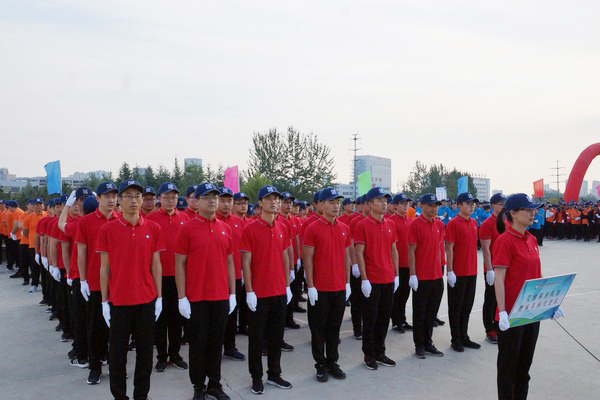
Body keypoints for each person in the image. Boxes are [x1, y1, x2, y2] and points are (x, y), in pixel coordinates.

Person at [97, 179, 164, 400]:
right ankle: (120, 396)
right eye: (128, 196)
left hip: (146, 300)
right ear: (120, 200)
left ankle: (141, 395)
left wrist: (159, 297)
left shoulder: (153, 228)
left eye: (137, 196)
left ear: (142, 199)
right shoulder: (108, 229)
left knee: (145, 354)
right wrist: (104, 300)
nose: (133, 201)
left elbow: (156, 264)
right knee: (117, 355)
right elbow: (104, 267)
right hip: (119, 301)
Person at [494, 193, 564, 400]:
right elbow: (499, 280)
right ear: (514, 213)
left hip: (531, 312)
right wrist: (502, 312)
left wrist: (549, 303)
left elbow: (537, 276)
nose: (533, 213)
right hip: (512, 316)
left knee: (524, 367)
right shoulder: (504, 241)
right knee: (508, 368)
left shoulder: (532, 239)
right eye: (528, 210)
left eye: (534, 210)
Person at [174, 182, 237, 400]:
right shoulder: (187, 228)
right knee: (198, 344)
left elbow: (230, 262)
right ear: (197, 201)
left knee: (216, 343)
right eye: (207, 197)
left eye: (215, 197)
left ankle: (214, 384)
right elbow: (179, 264)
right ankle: (198, 386)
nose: (212, 201)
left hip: (220, 296)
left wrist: (232, 293)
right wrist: (181, 296)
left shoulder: (225, 228)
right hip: (197, 297)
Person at [240, 185, 293, 395]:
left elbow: (285, 255)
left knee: (276, 336)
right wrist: (249, 291)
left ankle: (274, 374)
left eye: (276, 199)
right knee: (257, 339)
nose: (274, 202)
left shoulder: (282, 226)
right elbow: (246, 262)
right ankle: (256, 377)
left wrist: (287, 285)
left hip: (279, 291)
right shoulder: (250, 229)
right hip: (259, 293)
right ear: (260, 203)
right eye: (269, 198)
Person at [303, 187, 351, 382]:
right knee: (318, 329)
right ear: (321, 205)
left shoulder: (344, 228)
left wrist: (347, 283)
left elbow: (347, 257)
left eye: (337, 202)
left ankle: (332, 362)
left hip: (338, 287)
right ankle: (320, 364)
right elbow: (308, 259)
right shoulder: (312, 228)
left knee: (334, 328)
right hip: (320, 289)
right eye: (331, 202)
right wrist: (310, 286)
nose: (336, 206)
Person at [76, 181, 119, 385]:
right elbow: (81, 252)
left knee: (117, 331)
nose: (111, 200)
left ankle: (116, 367)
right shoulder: (86, 222)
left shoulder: (122, 220)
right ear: (98, 198)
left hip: (118, 284)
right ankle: (95, 368)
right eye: (107, 196)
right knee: (95, 328)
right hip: (94, 283)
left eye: (114, 196)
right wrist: (83, 279)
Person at [146, 182, 190, 372]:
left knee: (176, 319)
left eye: (174, 197)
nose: (171, 200)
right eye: (166, 197)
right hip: (158, 276)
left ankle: (175, 354)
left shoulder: (185, 218)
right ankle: (162, 357)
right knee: (160, 318)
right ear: (159, 199)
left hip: (179, 276)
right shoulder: (151, 218)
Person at [354, 187, 399, 370]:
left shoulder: (390, 224)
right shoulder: (362, 225)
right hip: (372, 280)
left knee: (384, 318)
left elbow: (394, 251)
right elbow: (359, 253)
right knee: (370, 319)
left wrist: (396, 275)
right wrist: (364, 279)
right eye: (379, 200)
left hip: (388, 278)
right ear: (370, 204)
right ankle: (369, 353)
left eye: (385, 200)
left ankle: (380, 351)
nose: (384, 204)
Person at [408, 194, 445, 359]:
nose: (434, 208)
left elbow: (439, 248)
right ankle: (419, 344)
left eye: (436, 205)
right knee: (420, 313)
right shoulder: (415, 225)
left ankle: (428, 342)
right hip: (421, 277)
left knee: (431, 312)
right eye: (430, 205)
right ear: (421, 206)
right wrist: (412, 275)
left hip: (437, 275)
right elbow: (411, 252)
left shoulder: (439, 224)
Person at [445, 192, 481, 352]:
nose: (472, 206)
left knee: (467, 306)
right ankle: (456, 339)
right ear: (459, 205)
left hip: (471, 271)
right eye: (468, 203)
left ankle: (464, 336)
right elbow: (449, 248)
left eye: (473, 204)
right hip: (458, 272)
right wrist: (450, 271)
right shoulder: (453, 223)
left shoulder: (473, 222)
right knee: (456, 307)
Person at [217, 186, 247, 362]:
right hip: (215, 276)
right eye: (222, 200)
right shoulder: (212, 221)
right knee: (217, 314)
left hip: (234, 274)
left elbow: (244, 248)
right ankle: (214, 346)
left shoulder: (238, 221)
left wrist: (243, 270)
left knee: (232, 312)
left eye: (229, 200)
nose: (226, 204)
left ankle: (230, 346)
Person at [479, 193, 505, 344]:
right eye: (500, 204)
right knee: (491, 299)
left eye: (504, 204)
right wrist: (489, 269)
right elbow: (486, 249)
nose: (503, 207)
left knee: (501, 298)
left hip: (505, 267)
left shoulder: (506, 222)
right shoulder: (487, 224)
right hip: (493, 268)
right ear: (493, 205)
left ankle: (498, 324)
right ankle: (489, 328)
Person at [389, 193, 413, 333]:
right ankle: (396, 321)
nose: (405, 206)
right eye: (403, 204)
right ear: (395, 205)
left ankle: (402, 319)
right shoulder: (390, 221)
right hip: (396, 264)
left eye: (407, 204)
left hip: (408, 263)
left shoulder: (410, 221)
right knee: (396, 295)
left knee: (405, 294)